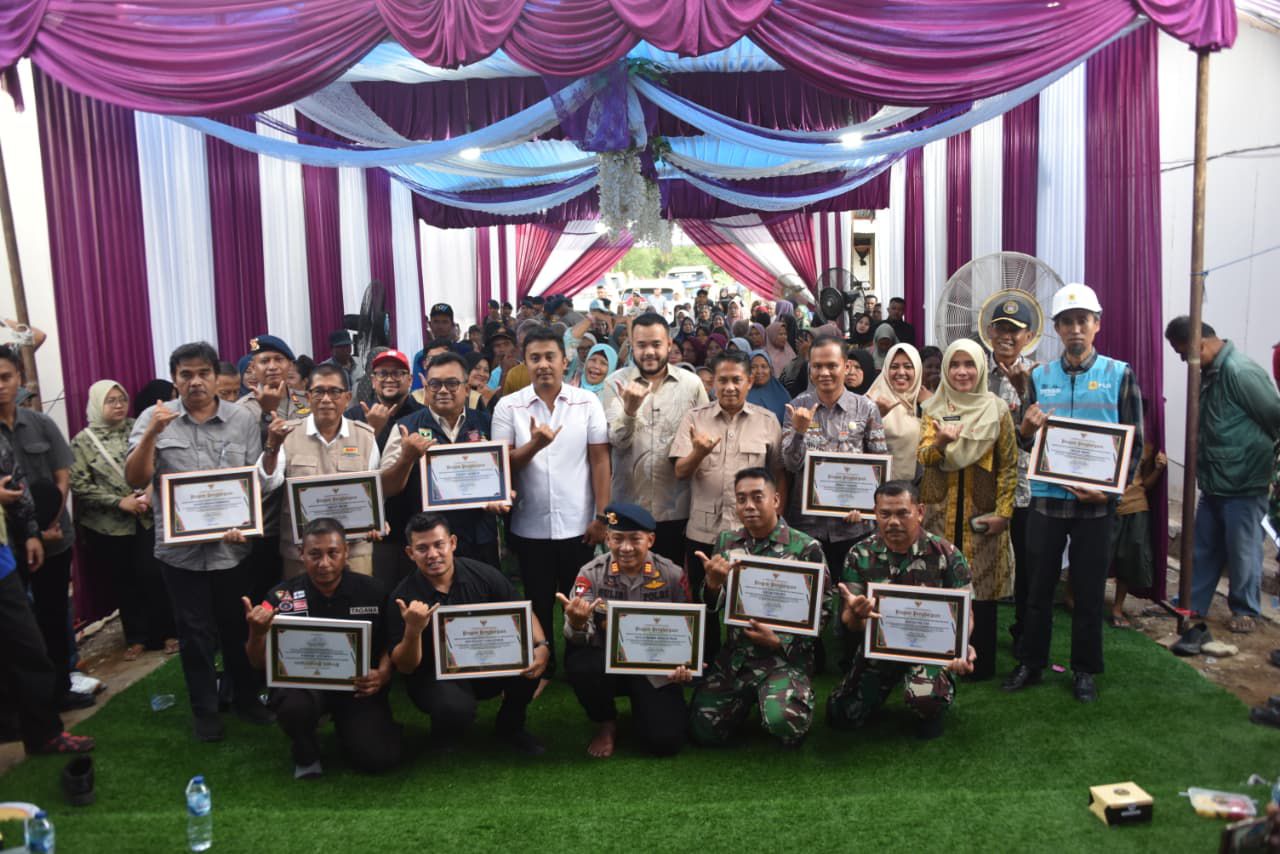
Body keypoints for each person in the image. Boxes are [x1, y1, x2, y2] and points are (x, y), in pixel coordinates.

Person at [1003, 283, 1143, 703]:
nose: (1075, 329)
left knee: (1088, 591)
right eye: (1067, 322)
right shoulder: (1039, 377)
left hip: (1095, 507)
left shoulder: (1119, 374)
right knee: (1037, 589)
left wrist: (1111, 494)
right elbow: (1025, 442)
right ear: (1058, 329)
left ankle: (1084, 669)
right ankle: (1031, 663)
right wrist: (1025, 430)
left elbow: (1134, 442)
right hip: (1047, 500)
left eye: (1083, 320)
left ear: (1097, 324)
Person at [126, 341, 272, 741]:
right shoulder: (153, 418)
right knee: (193, 633)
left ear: (214, 376)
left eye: (203, 373)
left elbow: (255, 481)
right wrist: (152, 434)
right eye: (186, 374)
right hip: (180, 553)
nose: (195, 382)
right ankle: (205, 710)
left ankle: (245, 699)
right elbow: (136, 478)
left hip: (232, 548)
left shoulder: (242, 419)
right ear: (174, 379)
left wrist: (245, 520)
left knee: (237, 627)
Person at [491, 328, 610, 674]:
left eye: (549, 357)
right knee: (538, 599)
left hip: (579, 523)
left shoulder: (586, 402)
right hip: (530, 524)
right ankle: (544, 662)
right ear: (525, 363)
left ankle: (579, 663)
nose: (543, 364)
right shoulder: (508, 406)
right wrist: (535, 445)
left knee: (580, 600)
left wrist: (602, 516)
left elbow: (600, 460)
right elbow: (502, 465)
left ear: (565, 360)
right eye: (535, 358)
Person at [243, 518, 400, 778]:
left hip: (357, 690)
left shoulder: (374, 591)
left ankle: (354, 729)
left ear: (346, 552)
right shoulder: (279, 598)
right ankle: (305, 748)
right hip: (304, 689)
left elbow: (390, 642)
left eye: (332, 553)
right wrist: (257, 633)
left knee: (378, 758)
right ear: (301, 554)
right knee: (294, 705)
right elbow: (257, 662)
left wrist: (383, 673)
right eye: (314, 554)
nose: (324, 563)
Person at [688, 468, 829, 749]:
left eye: (757, 497)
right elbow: (711, 605)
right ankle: (744, 702)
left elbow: (824, 611)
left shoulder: (806, 547)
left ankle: (782, 699)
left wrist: (780, 640)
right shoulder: (727, 542)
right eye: (741, 499)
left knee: (785, 724)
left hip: (784, 658)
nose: (749, 506)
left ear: (775, 500)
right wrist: (713, 585)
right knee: (702, 730)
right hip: (737, 658)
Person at [387, 513, 548, 755]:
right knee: (454, 708)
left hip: (487, 664)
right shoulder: (402, 597)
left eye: (439, 544)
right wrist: (413, 629)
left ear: (452, 543)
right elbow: (406, 667)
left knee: (531, 660)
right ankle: (445, 731)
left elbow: (522, 609)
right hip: (433, 676)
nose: (432, 554)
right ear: (410, 553)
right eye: (422, 548)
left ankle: (510, 726)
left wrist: (542, 646)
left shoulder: (483, 574)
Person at [828, 481, 975, 738]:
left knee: (924, 699)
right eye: (885, 514)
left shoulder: (947, 554)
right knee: (840, 713)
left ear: (920, 512)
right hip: (881, 648)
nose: (893, 522)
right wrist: (857, 614)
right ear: (875, 514)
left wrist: (961, 647)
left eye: (902, 513)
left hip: (929, 650)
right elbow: (850, 622)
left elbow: (966, 614)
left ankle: (931, 704)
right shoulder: (859, 554)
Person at [1166, 316, 1280, 633]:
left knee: (1243, 551)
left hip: (1245, 482)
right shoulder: (1211, 373)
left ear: (1199, 343)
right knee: (1204, 547)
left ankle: (1245, 610)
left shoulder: (1239, 372)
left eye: (1182, 353)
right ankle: (1193, 601)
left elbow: (1275, 418)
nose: (1183, 361)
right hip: (1216, 481)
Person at [671, 351, 784, 662]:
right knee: (704, 602)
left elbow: (778, 474)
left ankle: (749, 661)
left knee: (751, 601)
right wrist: (698, 452)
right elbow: (680, 471)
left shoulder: (767, 421)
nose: (730, 387)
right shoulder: (695, 419)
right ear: (713, 383)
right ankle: (705, 662)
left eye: (737, 380)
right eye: (722, 380)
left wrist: (777, 518)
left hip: (751, 531)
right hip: (703, 531)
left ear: (750, 381)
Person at [558, 503, 693, 758]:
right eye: (618, 539)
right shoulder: (591, 574)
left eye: (635, 539)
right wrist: (577, 623)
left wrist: (684, 664)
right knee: (581, 665)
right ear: (607, 539)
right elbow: (577, 637)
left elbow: (687, 630)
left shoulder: (672, 575)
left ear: (650, 540)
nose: (626, 548)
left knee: (665, 742)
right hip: (606, 664)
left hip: (654, 668)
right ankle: (606, 722)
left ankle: (646, 707)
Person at [917, 339, 1017, 680]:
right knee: (940, 581)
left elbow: (1008, 466)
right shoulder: (933, 408)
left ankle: (980, 663)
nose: (962, 372)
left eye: (969, 364)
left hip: (982, 512)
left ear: (981, 368)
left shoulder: (997, 410)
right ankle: (938, 658)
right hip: (939, 510)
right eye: (955, 365)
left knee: (982, 588)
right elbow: (924, 457)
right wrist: (941, 442)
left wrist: (1004, 513)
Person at [0, 347, 85, 710]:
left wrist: (48, 523)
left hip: (54, 538)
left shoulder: (41, 424)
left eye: (5, 377)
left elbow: (62, 478)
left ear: (19, 378)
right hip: (8, 546)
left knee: (53, 615)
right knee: (15, 626)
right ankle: (21, 704)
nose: (0, 386)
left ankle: (60, 689)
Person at [70, 380, 176, 660]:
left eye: (122, 399)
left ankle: (167, 632)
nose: (118, 405)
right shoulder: (82, 441)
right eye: (110, 400)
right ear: (96, 404)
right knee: (124, 581)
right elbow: (79, 485)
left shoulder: (139, 427)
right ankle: (137, 637)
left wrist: (148, 493)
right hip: (108, 526)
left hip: (147, 516)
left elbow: (161, 462)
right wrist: (119, 502)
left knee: (154, 574)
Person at [0, 438, 92, 754]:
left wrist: (30, 533)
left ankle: (44, 734)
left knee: (28, 648)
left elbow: (15, 483)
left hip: (2, 562)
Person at [381, 352, 502, 582]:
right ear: (426, 388)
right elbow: (386, 488)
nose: (443, 390)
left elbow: (505, 477)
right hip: (428, 544)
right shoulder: (405, 428)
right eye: (435, 384)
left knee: (483, 597)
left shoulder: (487, 423)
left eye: (452, 383)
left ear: (467, 389)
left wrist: (503, 495)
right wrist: (407, 458)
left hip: (479, 538)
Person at [601, 314, 709, 564]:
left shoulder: (691, 385)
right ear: (632, 345)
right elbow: (617, 441)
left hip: (677, 507)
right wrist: (629, 410)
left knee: (672, 577)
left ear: (669, 344)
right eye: (641, 345)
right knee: (626, 578)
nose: (649, 352)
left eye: (656, 344)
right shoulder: (615, 383)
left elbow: (703, 440)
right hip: (628, 506)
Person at [259, 364, 381, 579]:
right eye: (319, 392)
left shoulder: (365, 437)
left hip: (354, 551)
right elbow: (267, 483)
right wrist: (272, 446)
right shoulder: (287, 434)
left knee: (360, 599)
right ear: (308, 397)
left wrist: (377, 520)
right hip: (302, 553)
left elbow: (376, 493)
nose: (326, 399)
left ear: (347, 397)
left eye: (334, 392)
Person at [782, 334, 889, 573]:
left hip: (852, 528)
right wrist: (799, 432)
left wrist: (866, 508)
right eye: (817, 366)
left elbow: (879, 465)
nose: (824, 373)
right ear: (810, 369)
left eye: (832, 365)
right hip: (807, 527)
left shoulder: (866, 408)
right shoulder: (797, 407)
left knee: (849, 589)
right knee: (812, 591)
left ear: (846, 366)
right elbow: (790, 464)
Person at [983, 298, 1038, 652]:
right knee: (982, 559)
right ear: (990, 331)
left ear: (1028, 336)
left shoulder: (1040, 375)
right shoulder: (973, 370)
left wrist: (1023, 390)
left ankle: (1025, 633)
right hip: (983, 485)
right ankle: (977, 633)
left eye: (1015, 330)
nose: (1007, 335)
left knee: (1029, 564)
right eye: (1001, 327)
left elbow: (1045, 429)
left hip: (1024, 489)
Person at [238, 334, 309, 600]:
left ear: (290, 365)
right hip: (265, 519)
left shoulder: (309, 402)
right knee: (264, 592)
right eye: (264, 361)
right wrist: (266, 416)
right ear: (252, 368)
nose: (271, 366)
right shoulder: (240, 411)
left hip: (303, 513)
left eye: (278, 359)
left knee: (300, 591)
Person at [1108, 426, 1166, 627]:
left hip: (1135, 505)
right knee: (1094, 556)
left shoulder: (1145, 441)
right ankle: (1075, 598)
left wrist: (1158, 469)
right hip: (1105, 503)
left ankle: (1117, 607)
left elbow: (1145, 484)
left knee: (1129, 559)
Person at [864, 343, 928, 484]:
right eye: (894, 367)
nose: (901, 372)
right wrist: (875, 417)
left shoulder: (923, 401)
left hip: (917, 488)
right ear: (886, 369)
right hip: (881, 488)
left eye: (908, 366)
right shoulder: (871, 401)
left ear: (918, 370)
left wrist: (930, 405)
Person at [344, 349, 423, 452]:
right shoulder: (353, 417)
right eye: (382, 374)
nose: (389, 380)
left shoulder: (424, 416)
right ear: (373, 381)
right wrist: (371, 428)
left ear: (410, 380)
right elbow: (347, 457)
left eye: (397, 373)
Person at [747, 350, 790, 425]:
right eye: (754, 367)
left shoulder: (781, 394)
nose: (759, 371)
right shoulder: (741, 396)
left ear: (770, 369)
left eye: (764, 366)